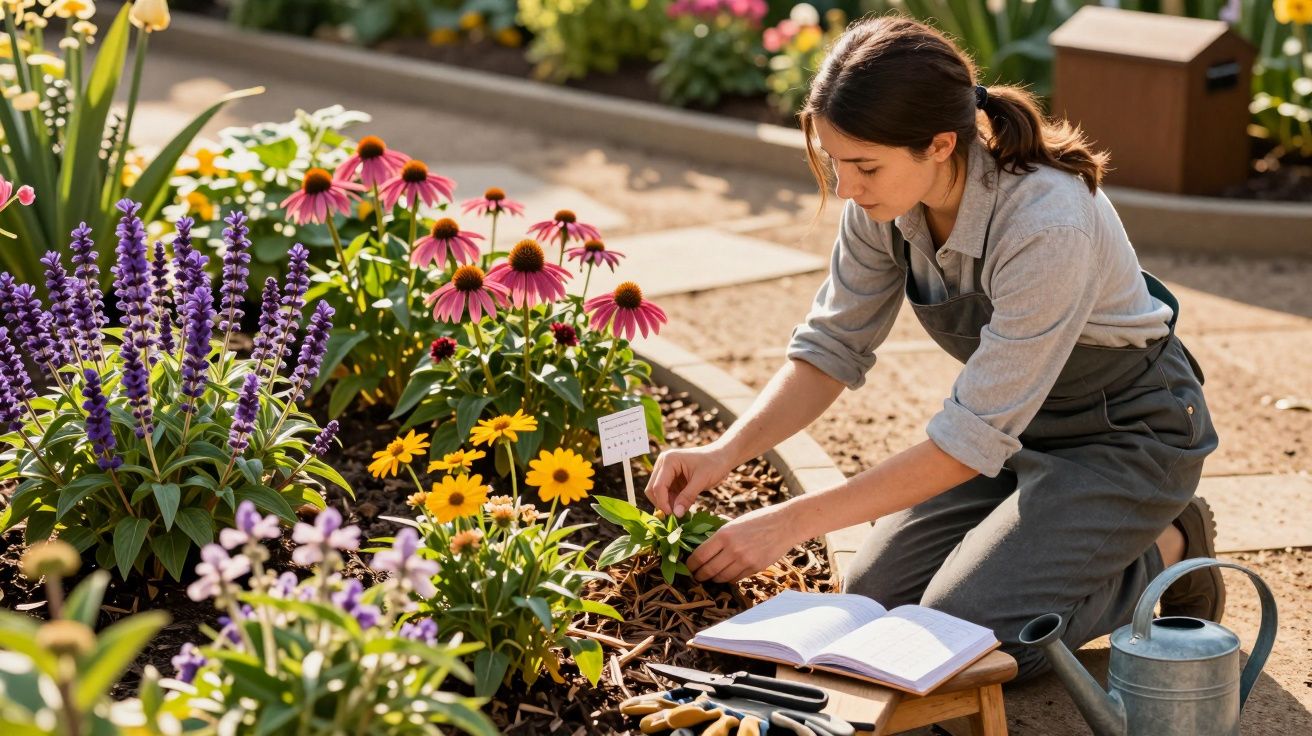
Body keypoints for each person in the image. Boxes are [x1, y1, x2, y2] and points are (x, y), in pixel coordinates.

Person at [644, 15, 1223, 680]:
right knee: (875, 597)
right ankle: (1065, 538)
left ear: (941, 144)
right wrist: (725, 451)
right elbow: (831, 346)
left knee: (975, 636)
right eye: (835, 161)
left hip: (1127, 438)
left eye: (865, 166)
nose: (848, 188)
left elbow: (967, 439)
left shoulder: (1046, 224)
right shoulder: (885, 204)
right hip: (1018, 433)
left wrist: (787, 523)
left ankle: (1171, 550)